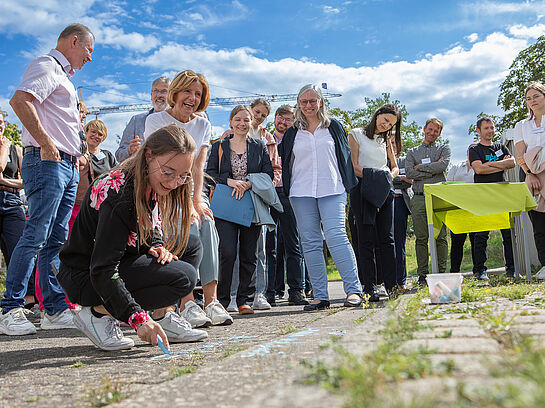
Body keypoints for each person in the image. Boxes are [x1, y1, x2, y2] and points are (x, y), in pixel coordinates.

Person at [58, 124, 207, 350]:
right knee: (183, 277)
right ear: (148, 156)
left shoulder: (149, 182)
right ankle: (97, 314)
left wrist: (156, 244)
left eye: (183, 176)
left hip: (119, 260)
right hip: (86, 276)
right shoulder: (119, 195)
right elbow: (103, 268)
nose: (174, 182)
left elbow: (151, 224)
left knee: (191, 245)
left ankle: (162, 315)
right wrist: (137, 318)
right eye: (168, 173)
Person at [0, 24, 94, 336]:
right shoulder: (47, 66)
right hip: (47, 162)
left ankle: (53, 308)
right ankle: (11, 308)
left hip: (65, 165)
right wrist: (48, 144)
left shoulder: (63, 79)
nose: (89, 58)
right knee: (36, 235)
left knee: (55, 240)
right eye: (88, 50)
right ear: (74, 41)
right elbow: (20, 101)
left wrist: (76, 151)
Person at [144, 70, 232, 327]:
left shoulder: (203, 125)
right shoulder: (156, 121)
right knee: (186, 226)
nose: (192, 98)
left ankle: (212, 301)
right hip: (163, 189)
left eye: (198, 94)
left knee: (205, 222)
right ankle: (187, 302)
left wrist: (196, 203)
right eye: (187, 92)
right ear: (176, 93)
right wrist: (181, 203)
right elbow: (155, 166)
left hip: (191, 188)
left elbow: (198, 168)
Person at [280, 84, 363, 310]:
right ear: (298, 103)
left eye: (312, 101)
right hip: (301, 191)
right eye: (304, 101)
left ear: (321, 102)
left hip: (332, 189)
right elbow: (286, 161)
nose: (308, 105)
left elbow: (344, 157)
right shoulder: (292, 132)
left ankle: (354, 291)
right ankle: (320, 295)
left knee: (337, 237)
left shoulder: (334, 127)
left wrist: (349, 185)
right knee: (310, 242)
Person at [207, 105, 274, 314]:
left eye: (246, 120)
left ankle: (245, 299)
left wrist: (248, 182)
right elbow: (209, 174)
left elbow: (268, 173)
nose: (242, 124)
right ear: (230, 122)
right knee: (226, 252)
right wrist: (229, 181)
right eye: (238, 119)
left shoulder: (259, 146)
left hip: (250, 203)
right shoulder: (219, 146)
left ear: (251, 122)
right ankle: (224, 300)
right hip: (226, 204)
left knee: (249, 253)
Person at [349, 105, 402, 301]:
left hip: (384, 189)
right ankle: (369, 286)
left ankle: (391, 285)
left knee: (387, 240)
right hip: (362, 189)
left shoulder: (386, 139)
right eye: (385, 119)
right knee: (366, 239)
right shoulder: (356, 134)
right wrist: (374, 177)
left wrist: (387, 176)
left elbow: (394, 166)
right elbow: (354, 166)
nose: (386, 125)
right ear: (377, 114)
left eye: (390, 124)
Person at [267, 105, 308, 306]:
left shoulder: (297, 138)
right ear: (275, 118)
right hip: (269, 193)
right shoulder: (266, 139)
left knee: (293, 243)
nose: (283, 122)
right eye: (280, 118)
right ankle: (271, 290)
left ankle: (296, 290)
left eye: (288, 119)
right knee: (270, 244)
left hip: (291, 192)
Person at [469, 120, 516, 280]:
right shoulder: (474, 148)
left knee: (507, 234)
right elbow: (478, 169)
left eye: (492, 128)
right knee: (481, 235)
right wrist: (501, 164)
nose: (490, 131)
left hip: (502, 194)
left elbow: (512, 163)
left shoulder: (501, 147)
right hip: (483, 195)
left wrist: (491, 164)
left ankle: (511, 269)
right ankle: (480, 271)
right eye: (486, 128)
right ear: (478, 130)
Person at [405, 119, 451, 285]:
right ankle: (423, 275)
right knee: (421, 238)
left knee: (441, 237)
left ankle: (441, 272)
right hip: (419, 197)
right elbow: (409, 173)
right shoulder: (412, 152)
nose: (432, 133)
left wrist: (421, 168)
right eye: (430, 129)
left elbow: (442, 167)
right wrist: (432, 168)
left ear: (440, 133)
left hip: (439, 196)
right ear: (424, 129)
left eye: (436, 131)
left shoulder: (443, 148)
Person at [514, 83, 545, 278]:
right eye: (528, 98)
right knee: (539, 224)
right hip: (532, 177)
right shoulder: (522, 126)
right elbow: (520, 155)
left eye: (536, 96)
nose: (532, 101)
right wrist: (530, 174)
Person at [69, 119, 118, 233]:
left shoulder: (108, 155)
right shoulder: (78, 154)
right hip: (81, 203)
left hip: (104, 204)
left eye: (100, 134)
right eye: (93, 132)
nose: (96, 136)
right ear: (85, 133)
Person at [115, 76, 170, 162]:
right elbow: (119, 155)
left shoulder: (176, 121)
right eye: (155, 91)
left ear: (171, 96)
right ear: (151, 95)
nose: (159, 95)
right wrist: (129, 150)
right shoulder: (136, 121)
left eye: (164, 91)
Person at [446, 145, 476, 274]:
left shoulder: (481, 168)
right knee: (457, 243)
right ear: (467, 152)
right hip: (457, 210)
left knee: (476, 241)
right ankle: (454, 272)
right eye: (472, 151)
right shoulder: (456, 167)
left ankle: (478, 271)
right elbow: (447, 185)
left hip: (475, 209)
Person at [0, 113, 24, 267]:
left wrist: (3, 180)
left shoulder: (16, 149)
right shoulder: (7, 146)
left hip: (12, 202)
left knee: (17, 255)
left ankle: (20, 291)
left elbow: (25, 182)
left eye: (1, 122)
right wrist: (4, 147)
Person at [391, 134, 413, 290]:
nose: (392, 145)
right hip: (385, 202)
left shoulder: (406, 161)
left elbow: (412, 180)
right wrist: (401, 178)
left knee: (399, 242)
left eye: (394, 142)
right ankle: (388, 280)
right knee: (385, 243)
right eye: (389, 143)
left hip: (401, 202)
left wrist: (397, 177)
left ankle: (401, 281)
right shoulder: (381, 161)